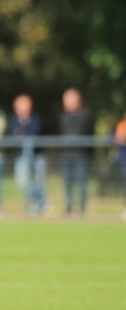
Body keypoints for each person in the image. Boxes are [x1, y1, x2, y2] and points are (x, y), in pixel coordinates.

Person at [59, 88, 94, 216]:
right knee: (67, 183)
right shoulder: (63, 116)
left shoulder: (85, 115)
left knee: (82, 183)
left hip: (81, 155)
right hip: (66, 154)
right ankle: (68, 208)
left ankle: (82, 210)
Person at [9, 94, 46, 215]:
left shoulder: (36, 119)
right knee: (23, 182)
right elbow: (14, 135)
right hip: (22, 157)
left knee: (38, 181)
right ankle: (36, 202)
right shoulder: (14, 120)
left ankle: (39, 205)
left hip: (37, 157)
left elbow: (33, 134)